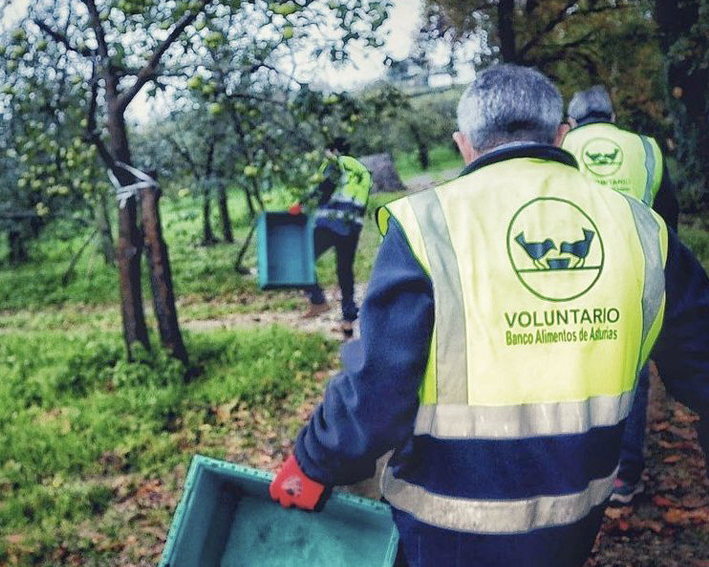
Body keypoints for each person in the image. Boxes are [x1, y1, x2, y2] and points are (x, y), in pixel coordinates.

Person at [269, 64, 709, 567]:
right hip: (575, 521)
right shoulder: (643, 230)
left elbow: (377, 393)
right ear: (562, 135)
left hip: (449, 530)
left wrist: (314, 459)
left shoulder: (427, 226)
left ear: (464, 144)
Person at [562, 85, 680, 505]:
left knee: (572, 365)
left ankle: (577, 464)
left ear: (571, 122)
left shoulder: (559, 145)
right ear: (612, 117)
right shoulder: (645, 148)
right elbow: (669, 218)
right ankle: (624, 476)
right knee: (632, 370)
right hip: (634, 275)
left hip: (573, 272)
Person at [289, 137, 372, 337]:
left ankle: (318, 301)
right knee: (344, 269)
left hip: (330, 223)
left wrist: (300, 206)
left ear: (333, 150)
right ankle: (349, 315)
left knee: (301, 258)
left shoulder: (335, 164)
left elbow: (324, 189)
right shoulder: (361, 169)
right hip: (352, 225)